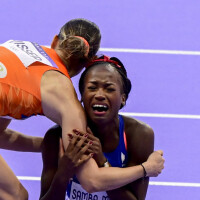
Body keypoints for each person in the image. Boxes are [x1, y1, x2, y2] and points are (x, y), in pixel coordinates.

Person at [0, 18, 101, 200]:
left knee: (15, 195)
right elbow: (90, 180)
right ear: (89, 63)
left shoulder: (19, 46)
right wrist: (144, 169)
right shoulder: (67, 100)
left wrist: (47, 146)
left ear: (55, 41)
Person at [40, 55, 165, 200]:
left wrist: (102, 162)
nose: (99, 95)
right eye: (92, 88)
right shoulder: (56, 137)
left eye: (109, 89)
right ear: (81, 95)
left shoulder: (138, 135)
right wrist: (63, 174)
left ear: (123, 98)